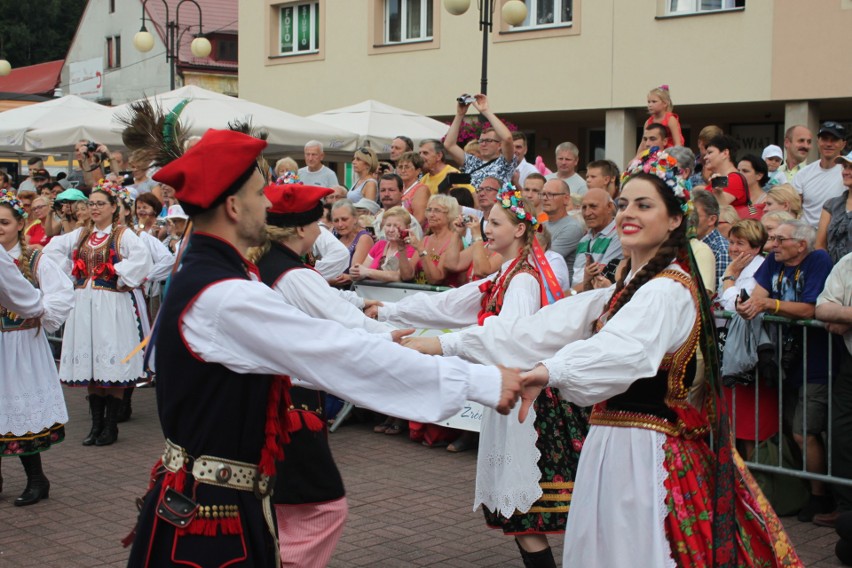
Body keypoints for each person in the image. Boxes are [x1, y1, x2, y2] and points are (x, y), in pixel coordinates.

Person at [118, 121, 525, 567]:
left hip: (214, 499)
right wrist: (479, 380)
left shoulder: (216, 277)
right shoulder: (225, 294)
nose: (265, 207)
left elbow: (335, 343)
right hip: (209, 517)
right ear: (234, 206)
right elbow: (339, 352)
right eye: (259, 196)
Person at [403, 148, 801, 566]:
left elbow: (619, 353)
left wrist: (548, 370)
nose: (629, 212)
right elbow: (540, 328)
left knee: (633, 550)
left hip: (647, 453)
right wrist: (443, 344)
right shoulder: (623, 290)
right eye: (625, 203)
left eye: (644, 205)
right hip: (612, 442)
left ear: (675, 219)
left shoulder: (667, 289)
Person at [375, 186, 580, 566]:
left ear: (520, 230)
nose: (487, 228)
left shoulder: (522, 279)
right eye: (487, 221)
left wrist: (440, 345)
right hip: (511, 392)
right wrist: (386, 312)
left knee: (524, 511)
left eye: (496, 222)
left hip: (526, 400)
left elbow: (510, 339)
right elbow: (452, 303)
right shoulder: (505, 272)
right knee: (519, 514)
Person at [246, 180, 397, 567]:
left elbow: (327, 300)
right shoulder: (294, 274)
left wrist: (362, 303)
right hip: (292, 401)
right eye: (319, 221)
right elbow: (342, 319)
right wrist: (393, 338)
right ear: (301, 228)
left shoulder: (266, 264)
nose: (324, 228)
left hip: (269, 397)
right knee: (321, 507)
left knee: (283, 505)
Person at [737, 219, 835, 522]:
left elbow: (810, 309)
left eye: (780, 239)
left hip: (816, 360)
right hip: (783, 361)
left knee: (804, 431)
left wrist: (769, 305)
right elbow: (757, 296)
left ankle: (821, 498)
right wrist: (749, 306)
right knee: (792, 429)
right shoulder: (772, 262)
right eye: (772, 239)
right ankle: (803, 490)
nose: (772, 244)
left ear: (800, 244)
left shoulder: (818, 260)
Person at [43, 178, 153, 447]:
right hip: (85, 303)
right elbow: (51, 251)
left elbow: (142, 260)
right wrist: (70, 272)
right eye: (91, 203)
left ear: (114, 207)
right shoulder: (80, 235)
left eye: (100, 204)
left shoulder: (123, 235)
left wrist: (118, 274)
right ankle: (96, 425)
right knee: (91, 360)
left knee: (111, 359)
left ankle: (110, 426)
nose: (94, 208)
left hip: (113, 305)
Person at [0, 190, 73, 507]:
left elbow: (60, 295)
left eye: (3, 221)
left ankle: (36, 480)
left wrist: (40, 312)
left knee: (21, 410)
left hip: (22, 344)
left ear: (20, 223)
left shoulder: (34, 259)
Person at [717, 220, 777, 458]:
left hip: (751, 353)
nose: (732, 248)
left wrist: (729, 278)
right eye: (731, 242)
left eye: (740, 243)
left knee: (752, 423)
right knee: (736, 422)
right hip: (732, 348)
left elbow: (739, 304)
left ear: (755, 248)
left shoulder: (760, 268)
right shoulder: (738, 266)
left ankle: (754, 478)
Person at [814, 252, 852, 530]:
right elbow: (823, 308)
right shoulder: (848, 261)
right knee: (842, 433)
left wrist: (846, 317)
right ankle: (846, 508)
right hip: (850, 364)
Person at [444, 94, 516, 187]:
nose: (483, 144)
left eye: (488, 140)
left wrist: (485, 111)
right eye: (481, 141)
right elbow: (449, 145)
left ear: (500, 145)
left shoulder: (505, 162)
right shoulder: (473, 162)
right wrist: (460, 114)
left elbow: (507, 138)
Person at [793, 121, 847, 227]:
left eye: (834, 140)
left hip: (837, 237)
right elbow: (794, 209)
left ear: (843, 144)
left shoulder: (848, 174)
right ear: (818, 142)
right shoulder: (803, 174)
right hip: (807, 237)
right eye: (825, 139)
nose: (828, 144)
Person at [406, 194, 464, 287]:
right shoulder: (425, 240)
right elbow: (407, 275)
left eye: (437, 211)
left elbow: (436, 279)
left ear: (449, 214)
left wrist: (421, 250)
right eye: (429, 210)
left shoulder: (454, 241)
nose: (431, 215)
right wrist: (401, 249)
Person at [571, 188, 622, 291]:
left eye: (593, 206)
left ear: (609, 207)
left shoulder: (618, 236)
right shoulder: (584, 239)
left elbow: (601, 278)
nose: (587, 213)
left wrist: (568, 294)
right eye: (584, 207)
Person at [352, 207, 418, 283]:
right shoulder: (379, 245)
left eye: (396, 226)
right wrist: (355, 271)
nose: (391, 230)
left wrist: (367, 272)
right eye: (388, 225)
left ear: (407, 228)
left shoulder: (411, 248)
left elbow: (399, 276)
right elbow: (361, 271)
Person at [705, 135, 760, 219]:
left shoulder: (734, 179)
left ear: (725, 153)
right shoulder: (722, 179)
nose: (705, 157)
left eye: (710, 152)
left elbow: (717, 208)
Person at [541, 179, 584, 285]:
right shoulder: (542, 225)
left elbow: (544, 259)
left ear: (566, 199)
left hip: (557, 290)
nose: (545, 199)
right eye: (543, 194)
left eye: (551, 194)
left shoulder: (572, 227)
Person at [816, 150, 852, 263]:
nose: (846, 172)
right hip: (832, 274)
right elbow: (820, 246)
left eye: (851, 168)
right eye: (845, 167)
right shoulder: (831, 205)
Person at [330, 199, 373, 287]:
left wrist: (325, 280)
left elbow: (354, 274)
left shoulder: (363, 238)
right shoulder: (336, 237)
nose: (340, 224)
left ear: (355, 219)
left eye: (344, 219)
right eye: (336, 220)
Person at [394, 152, 430, 228]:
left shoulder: (421, 190)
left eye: (407, 167)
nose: (403, 170)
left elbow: (419, 220)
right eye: (400, 167)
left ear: (418, 171)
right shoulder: (398, 188)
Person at [736, 153, 770, 219]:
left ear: (759, 175)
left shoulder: (767, 201)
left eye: (745, 171)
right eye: (738, 171)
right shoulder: (733, 198)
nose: (739, 174)